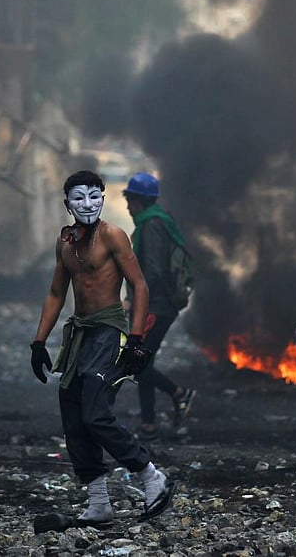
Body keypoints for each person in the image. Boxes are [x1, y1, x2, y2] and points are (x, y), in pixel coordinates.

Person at [29, 170, 175, 525]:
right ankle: (99, 504)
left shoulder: (113, 235)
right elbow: (55, 293)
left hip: (110, 330)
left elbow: (139, 286)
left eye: (95, 196)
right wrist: (38, 342)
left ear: (103, 199)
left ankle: (153, 478)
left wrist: (137, 340)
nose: (88, 204)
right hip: (80, 335)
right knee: (73, 415)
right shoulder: (65, 243)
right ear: (68, 204)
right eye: (79, 198)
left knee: (95, 413)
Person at [123, 172, 196, 441]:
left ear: (139, 200)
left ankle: (179, 393)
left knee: (137, 364)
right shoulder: (156, 222)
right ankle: (148, 424)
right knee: (143, 361)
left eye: (130, 201)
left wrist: (133, 299)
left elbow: (152, 271)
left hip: (155, 306)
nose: (128, 207)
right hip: (154, 304)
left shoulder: (152, 225)